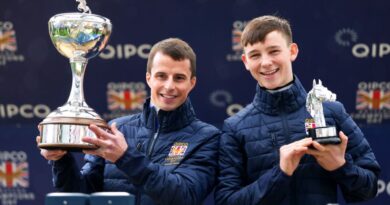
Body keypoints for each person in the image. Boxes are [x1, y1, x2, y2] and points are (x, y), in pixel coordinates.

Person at [215, 15, 380, 205]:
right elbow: (226, 201)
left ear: (292, 51)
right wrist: (281, 172)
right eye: (255, 55)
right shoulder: (235, 127)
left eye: (274, 51)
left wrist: (340, 166)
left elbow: (369, 188)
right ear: (245, 61)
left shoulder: (332, 112)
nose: (266, 62)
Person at [38, 38, 220, 205]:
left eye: (179, 78)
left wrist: (125, 157)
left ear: (192, 83)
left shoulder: (207, 138)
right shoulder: (117, 129)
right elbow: (82, 194)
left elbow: (185, 197)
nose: (169, 86)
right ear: (149, 78)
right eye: (161, 76)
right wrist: (60, 160)